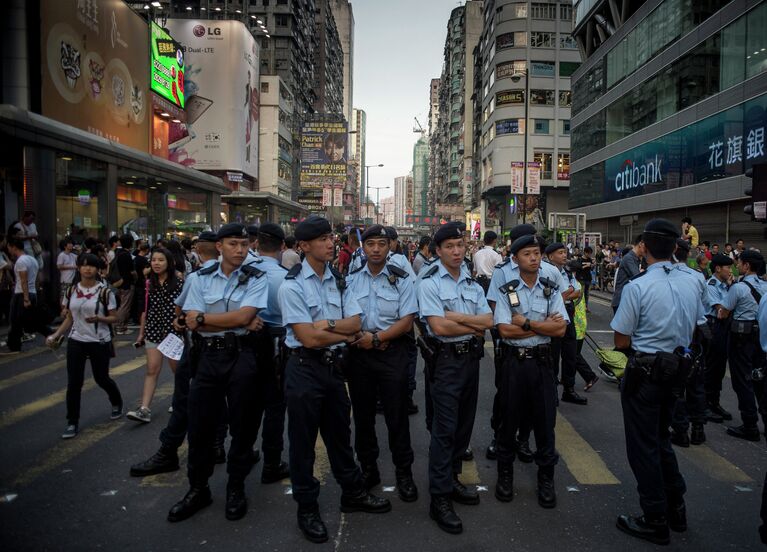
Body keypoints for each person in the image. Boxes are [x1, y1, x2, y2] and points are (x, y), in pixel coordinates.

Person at [278, 215, 390, 543]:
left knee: (340, 434)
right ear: (303, 246)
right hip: (303, 368)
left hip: (332, 369)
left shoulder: (339, 280)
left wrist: (323, 325)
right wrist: (333, 327)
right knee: (303, 443)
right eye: (323, 239)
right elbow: (306, 339)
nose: (330, 243)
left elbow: (355, 323)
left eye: (331, 237)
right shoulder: (292, 285)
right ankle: (307, 507)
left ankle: (352, 493)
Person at [611, 219, 704, 545]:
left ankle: (655, 517)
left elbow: (621, 340)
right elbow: (698, 325)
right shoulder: (694, 281)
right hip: (678, 371)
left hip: (646, 373)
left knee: (643, 446)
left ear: (644, 248)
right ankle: (676, 507)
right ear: (676, 247)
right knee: (662, 439)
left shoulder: (638, 286)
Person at [168, 224, 268, 524]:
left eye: (244, 244)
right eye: (233, 243)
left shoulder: (256, 277)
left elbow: (244, 316)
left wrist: (204, 318)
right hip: (208, 358)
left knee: (243, 424)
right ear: (219, 246)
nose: (240, 249)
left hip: (242, 356)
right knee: (200, 426)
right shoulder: (199, 278)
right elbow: (191, 321)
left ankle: (236, 487)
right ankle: (198, 489)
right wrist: (223, 321)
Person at [417, 223, 493, 534]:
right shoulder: (429, 282)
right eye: (449, 246)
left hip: (470, 361)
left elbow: (489, 320)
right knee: (444, 431)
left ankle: (452, 480)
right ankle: (439, 499)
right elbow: (439, 328)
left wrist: (456, 316)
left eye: (460, 245)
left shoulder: (473, 285)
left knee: (463, 429)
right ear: (437, 251)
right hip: (445, 362)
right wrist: (468, 323)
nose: (457, 251)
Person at [129, 232, 219, 477]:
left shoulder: (186, 279)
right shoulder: (194, 278)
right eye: (153, 259)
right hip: (190, 342)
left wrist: (192, 320)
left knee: (202, 400)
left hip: (214, 349)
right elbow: (181, 313)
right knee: (183, 396)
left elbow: (184, 314)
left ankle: (215, 449)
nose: (240, 250)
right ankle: (172, 450)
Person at [493, 234, 568, 508]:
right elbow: (503, 329)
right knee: (508, 421)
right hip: (515, 364)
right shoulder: (507, 291)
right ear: (515, 259)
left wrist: (525, 322)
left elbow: (560, 328)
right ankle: (504, 475)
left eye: (536, 253)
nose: (534, 258)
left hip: (543, 364)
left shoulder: (551, 289)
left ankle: (546, 479)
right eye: (527, 254)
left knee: (545, 424)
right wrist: (540, 325)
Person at [346, 225, 419, 503]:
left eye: (381, 244)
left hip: (392, 353)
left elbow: (407, 320)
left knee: (397, 416)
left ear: (390, 247)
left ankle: (404, 473)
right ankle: (369, 469)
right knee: (363, 417)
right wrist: (363, 339)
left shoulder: (401, 279)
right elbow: (344, 314)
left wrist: (377, 339)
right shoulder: (351, 280)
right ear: (362, 247)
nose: (376, 249)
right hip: (359, 354)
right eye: (370, 244)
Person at [45, 254, 123, 439]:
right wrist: (56, 335)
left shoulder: (105, 292)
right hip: (76, 341)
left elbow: (115, 317)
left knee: (101, 378)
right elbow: (70, 318)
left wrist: (100, 318)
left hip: (99, 341)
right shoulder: (71, 291)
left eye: (91, 266)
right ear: (78, 268)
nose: (87, 269)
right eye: (84, 266)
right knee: (74, 383)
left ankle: (116, 401)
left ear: (98, 269)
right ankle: (72, 421)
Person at [245, 223, 291, 484]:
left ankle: (245, 451)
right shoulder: (286, 277)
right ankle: (272, 462)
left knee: (249, 403)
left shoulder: (244, 272)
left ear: (256, 245)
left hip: (246, 343)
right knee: (275, 405)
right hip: (276, 343)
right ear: (282, 246)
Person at [127, 248, 183, 424]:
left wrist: (180, 320)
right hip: (153, 331)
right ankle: (144, 409)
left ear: (169, 263)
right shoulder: (149, 283)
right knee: (152, 369)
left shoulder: (179, 283)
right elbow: (146, 310)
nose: (156, 263)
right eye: (154, 260)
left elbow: (186, 307)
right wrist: (141, 334)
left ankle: (180, 401)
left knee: (177, 370)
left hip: (174, 333)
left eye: (161, 260)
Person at [717, 249, 767, 442]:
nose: (736, 266)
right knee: (761, 379)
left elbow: (723, 312)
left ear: (747, 266)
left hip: (741, 337)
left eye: (739, 263)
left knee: (742, 381)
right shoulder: (765, 286)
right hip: (760, 338)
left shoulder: (738, 288)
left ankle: (750, 424)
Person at [668, 240, 710, 447]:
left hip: (677, 334)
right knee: (696, 382)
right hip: (698, 332)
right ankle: (698, 429)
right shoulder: (698, 277)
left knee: (678, 385)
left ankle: (681, 430)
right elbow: (706, 306)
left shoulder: (667, 277)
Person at [545, 243, 597, 401]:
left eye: (564, 252)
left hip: (568, 313)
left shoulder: (567, 272)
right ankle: (551, 391)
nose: (564, 255)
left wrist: (564, 296)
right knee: (553, 354)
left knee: (570, 353)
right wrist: (564, 296)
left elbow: (577, 292)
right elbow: (551, 297)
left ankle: (569, 389)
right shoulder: (545, 272)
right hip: (553, 315)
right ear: (550, 256)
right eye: (560, 253)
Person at [704, 254, 734, 421]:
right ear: (717, 268)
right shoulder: (711, 285)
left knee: (720, 367)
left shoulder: (725, 286)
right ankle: (705, 404)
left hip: (723, 327)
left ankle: (714, 402)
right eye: (727, 267)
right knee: (711, 366)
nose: (730, 270)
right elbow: (721, 311)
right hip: (713, 326)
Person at [3, 238, 45, 354]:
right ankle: (51, 335)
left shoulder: (21, 261)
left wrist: (26, 298)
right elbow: (35, 278)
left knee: (15, 321)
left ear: (13, 247)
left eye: (9, 248)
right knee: (30, 320)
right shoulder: (32, 259)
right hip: (31, 292)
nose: (9, 250)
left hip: (22, 294)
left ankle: (14, 347)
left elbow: (23, 280)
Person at [110, 234, 136, 334]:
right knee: (124, 306)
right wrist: (135, 276)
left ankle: (122, 327)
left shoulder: (117, 252)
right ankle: (120, 327)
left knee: (121, 304)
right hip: (127, 283)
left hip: (118, 282)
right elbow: (132, 271)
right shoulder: (126, 254)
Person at [611, 235, 644, 313]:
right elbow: (637, 277)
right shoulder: (629, 258)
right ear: (641, 244)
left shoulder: (635, 258)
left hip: (626, 301)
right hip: (622, 301)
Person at [473, 231, 502, 295]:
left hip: (479, 283)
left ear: (484, 240)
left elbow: (474, 272)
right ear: (495, 241)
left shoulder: (477, 254)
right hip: (491, 284)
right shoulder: (496, 255)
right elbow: (499, 273)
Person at [575, 246, 594, 312]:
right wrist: (586, 265)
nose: (589, 255)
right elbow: (578, 268)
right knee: (581, 293)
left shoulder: (590, 259)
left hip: (588, 278)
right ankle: (579, 307)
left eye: (590, 253)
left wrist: (592, 265)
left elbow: (592, 268)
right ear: (585, 252)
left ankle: (586, 307)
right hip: (581, 278)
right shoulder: (580, 259)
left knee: (587, 294)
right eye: (588, 253)